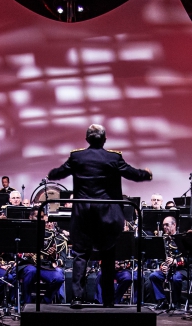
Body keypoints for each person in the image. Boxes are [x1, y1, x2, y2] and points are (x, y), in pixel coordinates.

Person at [47, 123, 152, 306]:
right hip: (107, 216)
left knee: (80, 255)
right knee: (108, 255)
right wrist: (146, 174)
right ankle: (108, 301)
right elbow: (132, 174)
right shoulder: (113, 157)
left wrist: (51, 173)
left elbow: (58, 173)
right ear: (104, 140)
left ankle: (78, 298)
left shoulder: (77, 156)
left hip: (83, 215)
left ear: (86, 139)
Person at [17, 207, 67, 304]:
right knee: (31, 271)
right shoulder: (21, 231)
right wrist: (24, 254)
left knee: (58, 277)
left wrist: (52, 255)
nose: (40, 219)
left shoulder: (49, 234)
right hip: (27, 265)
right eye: (37, 217)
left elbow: (50, 256)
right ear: (30, 217)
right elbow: (12, 252)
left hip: (43, 266)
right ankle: (27, 304)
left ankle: (45, 302)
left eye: (42, 217)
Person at [145, 216, 189, 310]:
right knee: (153, 276)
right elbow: (161, 257)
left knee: (175, 278)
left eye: (167, 225)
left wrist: (175, 261)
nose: (164, 227)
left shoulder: (183, 238)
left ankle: (176, 302)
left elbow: (190, 258)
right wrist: (162, 266)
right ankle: (162, 300)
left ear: (174, 225)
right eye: (163, 225)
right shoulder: (164, 240)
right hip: (168, 270)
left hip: (182, 269)